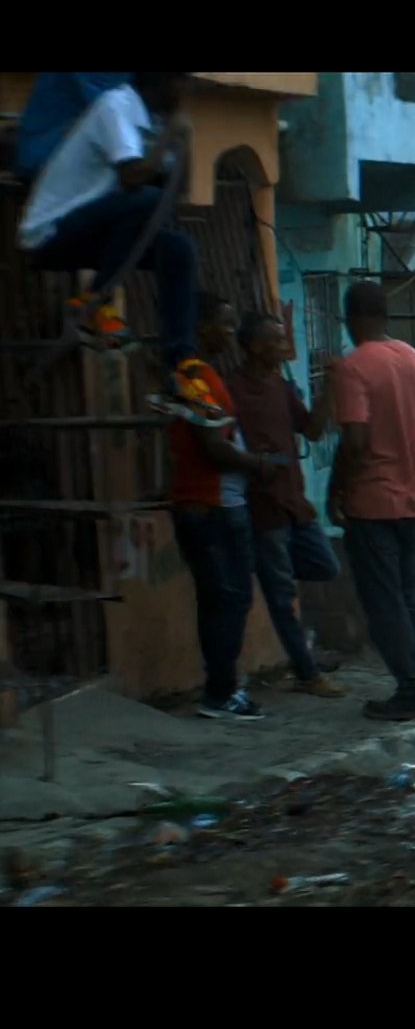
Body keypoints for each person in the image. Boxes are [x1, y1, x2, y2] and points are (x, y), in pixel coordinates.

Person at [15, 72, 223, 422]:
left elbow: (174, 193)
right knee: (144, 199)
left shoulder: (150, 121)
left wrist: (183, 140)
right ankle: (95, 301)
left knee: (179, 249)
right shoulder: (115, 106)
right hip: (51, 232)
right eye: (181, 81)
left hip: (97, 230)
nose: (187, 90)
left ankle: (180, 367)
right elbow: (132, 179)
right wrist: (170, 135)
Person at [330, 282, 415, 722]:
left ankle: (411, 686)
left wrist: (335, 486)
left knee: (384, 601)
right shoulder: (411, 357)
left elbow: (354, 440)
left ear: (352, 318)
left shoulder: (352, 367)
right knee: (409, 593)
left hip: (374, 497)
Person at [171, 295, 283, 720]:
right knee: (230, 598)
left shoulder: (202, 375)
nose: (231, 333)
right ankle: (221, 692)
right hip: (211, 504)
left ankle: (222, 687)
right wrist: (258, 464)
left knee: (221, 599)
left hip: (213, 503)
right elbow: (213, 445)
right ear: (200, 327)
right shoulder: (194, 375)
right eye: (224, 323)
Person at [229, 310, 344, 698]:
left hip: (294, 502)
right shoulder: (233, 390)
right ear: (256, 346)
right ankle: (307, 672)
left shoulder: (281, 386)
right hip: (264, 506)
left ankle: (304, 657)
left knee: (325, 566)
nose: (284, 347)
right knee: (281, 596)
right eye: (277, 341)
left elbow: (311, 429)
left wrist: (330, 388)